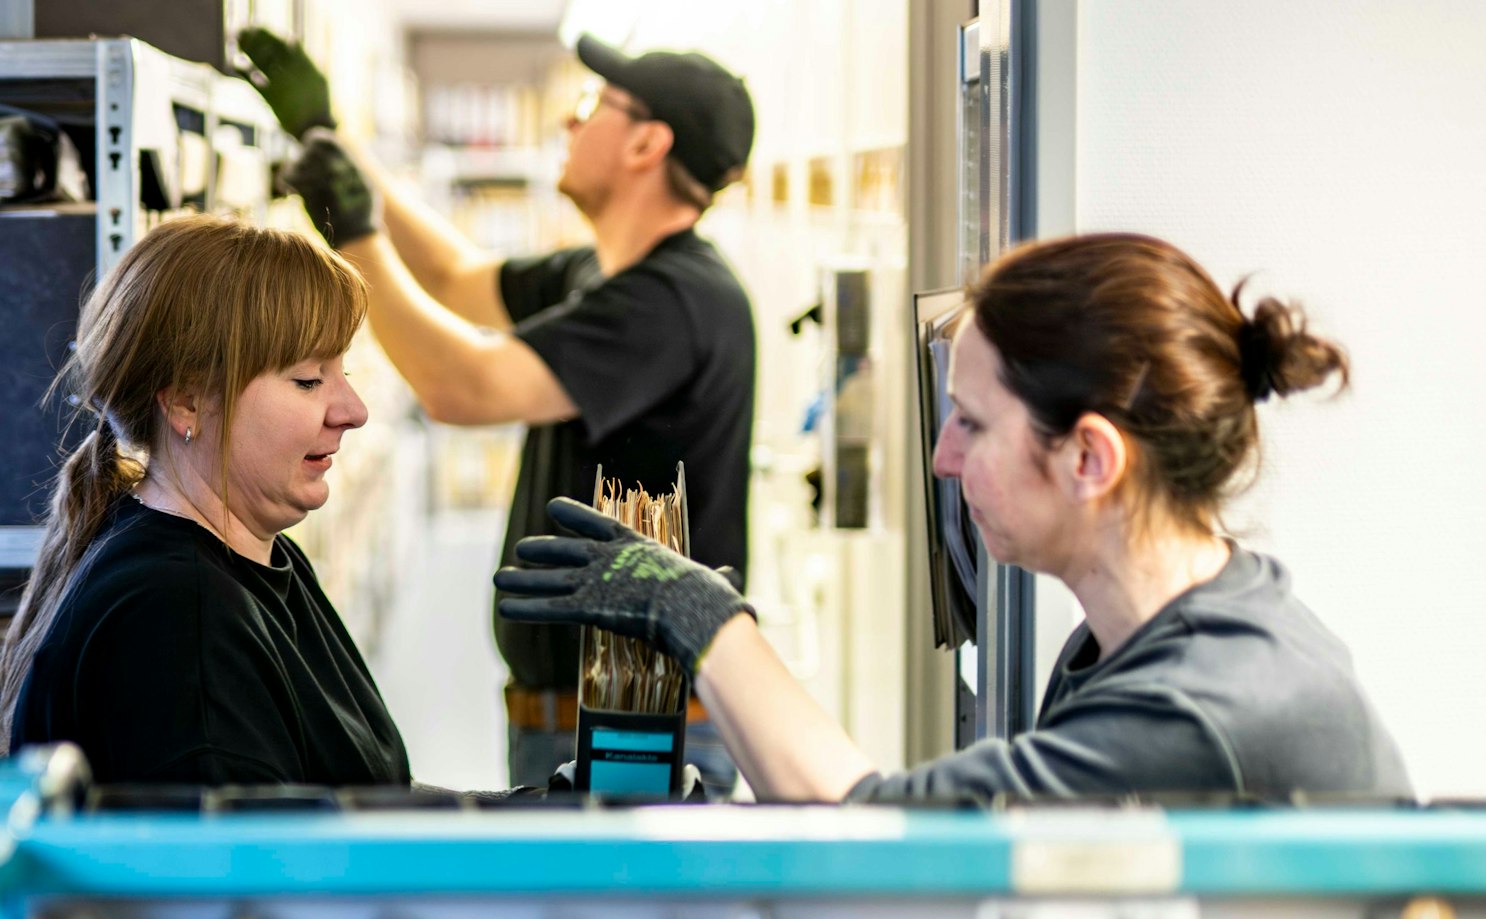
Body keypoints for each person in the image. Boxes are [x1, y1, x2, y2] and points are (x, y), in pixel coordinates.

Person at [494, 233, 1414, 803]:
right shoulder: (1132, 639)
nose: (942, 458)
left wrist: (699, 619)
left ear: (1090, 458)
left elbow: (880, 838)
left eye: (971, 424)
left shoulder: (1200, 708)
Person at [239, 28, 759, 793]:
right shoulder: (601, 272)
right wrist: (334, 143)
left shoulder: (672, 303)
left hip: (632, 726)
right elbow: (453, 276)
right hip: (567, 710)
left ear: (647, 143)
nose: (568, 122)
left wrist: (353, 233)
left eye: (593, 106)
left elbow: (463, 386)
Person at [0, 214, 411, 788]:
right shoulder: (176, 622)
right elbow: (255, 871)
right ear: (187, 402)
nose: (353, 410)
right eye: (309, 380)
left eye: (344, 371)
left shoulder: (253, 558)